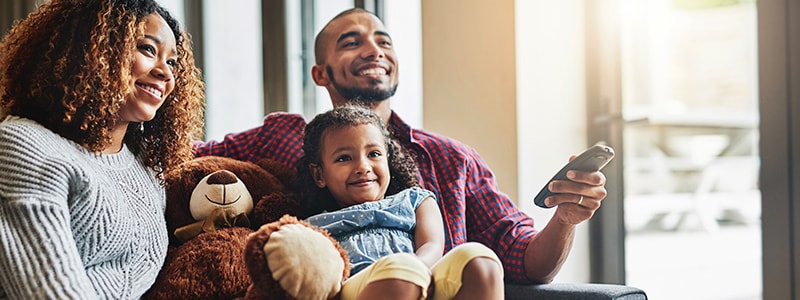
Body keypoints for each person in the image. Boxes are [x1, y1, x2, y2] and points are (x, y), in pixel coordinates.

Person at [194, 8, 607, 284]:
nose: (374, 49)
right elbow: (188, 157)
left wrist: (565, 218)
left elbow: (527, 261)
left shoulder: (451, 159)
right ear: (321, 73)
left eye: (384, 41)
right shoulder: (280, 137)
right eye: (351, 42)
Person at [0, 0, 204, 299]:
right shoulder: (22, 145)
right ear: (95, 51)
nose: (166, 73)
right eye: (148, 49)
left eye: (172, 62)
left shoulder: (147, 162)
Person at [296, 105, 503, 300]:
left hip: (421, 276)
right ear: (319, 174)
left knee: (478, 260)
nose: (363, 166)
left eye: (374, 154)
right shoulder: (312, 227)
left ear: (388, 159)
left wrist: (418, 267)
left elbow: (432, 244)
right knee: (398, 270)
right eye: (344, 158)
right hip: (356, 288)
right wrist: (406, 270)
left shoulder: (415, 200)